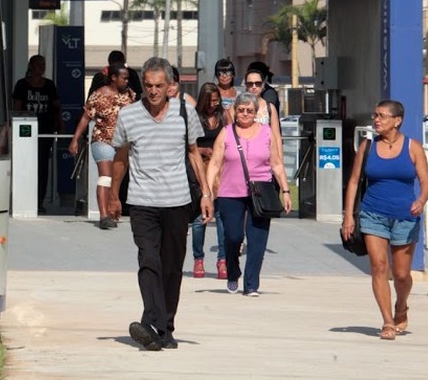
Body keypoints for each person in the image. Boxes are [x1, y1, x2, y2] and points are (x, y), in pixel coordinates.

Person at [108, 57, 213, 351]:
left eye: (159, 86)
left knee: (172, 267)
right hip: (142, 202)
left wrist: (206, 194)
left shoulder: (185, 112)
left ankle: (164, 327)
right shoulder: (128, 115)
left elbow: (194, 154)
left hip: (178, 201)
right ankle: (153, 323)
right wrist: (114, 195)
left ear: (170, 86)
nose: (153, 91)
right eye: (148, 86)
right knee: (148, 260)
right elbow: (121, 158)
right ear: (142, 85)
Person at [342, 100, 428, 340]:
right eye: (375, 115)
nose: (376, 120)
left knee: (402, 275)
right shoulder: (367, 146)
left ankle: (401, 306)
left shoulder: (413, 147)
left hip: (405, 216)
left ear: (397, 120)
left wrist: (421, 200)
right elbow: (353, 182)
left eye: (381, 116)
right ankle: (388, 322)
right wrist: (348, 216)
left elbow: (426, 182)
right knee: (379, 267)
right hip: (373, 215)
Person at [205, 92, 291, 297]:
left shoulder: (267, 132)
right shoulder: (226, 133)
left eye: (249, 111)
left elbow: (277, 164)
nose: (244, 114)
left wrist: (286, 191)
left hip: (261, 192)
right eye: (241, 110)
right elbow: (215, 163)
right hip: (230, 192)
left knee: (257, 239)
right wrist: (207, 193)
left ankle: (251, 284)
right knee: (233, 236)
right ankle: (233, 272)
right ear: (235, 111)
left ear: (255, 113)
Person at [68, 63, 136, 230]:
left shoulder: (130, 95)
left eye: (128, 78)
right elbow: (85, 118)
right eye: (124, 78)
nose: (127, 81)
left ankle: (115, 205)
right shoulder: (98, 95)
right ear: (114, 78)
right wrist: (75, 139)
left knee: (117, 179)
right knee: (105, 177)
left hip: (123, 143)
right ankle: (104, 216)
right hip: (102, 141)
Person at [13, 55, 63, 214]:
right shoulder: (21, 84)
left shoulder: (49, 85)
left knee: (42, 167)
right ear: (31, 66)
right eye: (38, 64)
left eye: (43, 64)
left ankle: (39, 201)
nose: (41, 67)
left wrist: (60, 126)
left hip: (45, 132)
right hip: (25, 133)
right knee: (24, 165)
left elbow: (56, 108)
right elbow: (17, 108)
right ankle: (22, 200)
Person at [191, 82, 228, 280]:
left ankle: (222, 259)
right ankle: (198, 259)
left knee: (222, 215)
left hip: (220, 170)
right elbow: (188, 146)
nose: (215, 104)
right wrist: (203, 150)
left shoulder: (223, 116)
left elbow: (231, 138)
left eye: (217, 100)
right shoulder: (195, 118)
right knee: (200, 217)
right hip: (201, 168)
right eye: (211, 101)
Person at [242, 68, 284, 163]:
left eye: (258, 83)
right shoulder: (236, 107)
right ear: (246, 85)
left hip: (266, 158)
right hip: (243, 158)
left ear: (263, 84)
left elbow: (277, 137)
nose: (254, 87)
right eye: (250, 84)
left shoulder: (270, 108)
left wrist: (280, 162)